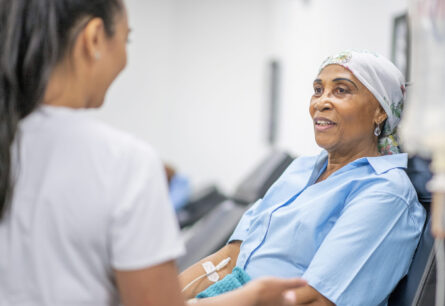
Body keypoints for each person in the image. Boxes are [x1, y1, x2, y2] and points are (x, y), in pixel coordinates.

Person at [0, 1, 305, 305]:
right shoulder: (122, 163)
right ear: (93, 38)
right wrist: (249, 299)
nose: (125, 56)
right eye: (126, 39)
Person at [179, 50, 426, 306]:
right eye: (318, 90)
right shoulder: (300, 169)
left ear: (380, 111)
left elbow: (317, 299)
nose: (321, 102)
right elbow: (229, 259)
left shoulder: (385, 193)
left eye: (341, 90)